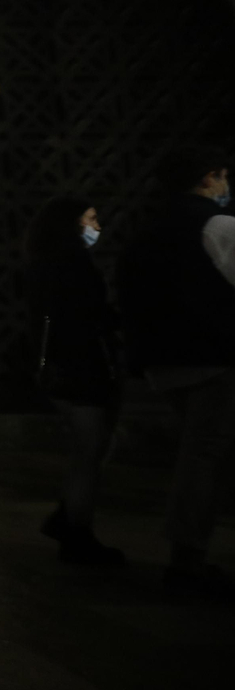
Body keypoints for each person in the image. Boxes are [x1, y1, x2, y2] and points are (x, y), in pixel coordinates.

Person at [119, 145, 234, 598]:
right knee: (206, 458)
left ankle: (189, 555)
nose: (225, 187)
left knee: (201, 453)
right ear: (210, 177)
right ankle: (187, 558)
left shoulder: (147, 232)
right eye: (223, 178)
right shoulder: (217, 223)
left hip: (164, 362)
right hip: (216, 359)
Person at [24, 198, 125, 565]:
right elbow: (84, 316)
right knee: (88, 452)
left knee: (92, 449)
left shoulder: (42, 264)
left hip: (67, 368)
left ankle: (68, 517)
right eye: (91, 219)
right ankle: (76, 531)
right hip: (81, 367)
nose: (97, 226)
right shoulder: (71, 265)